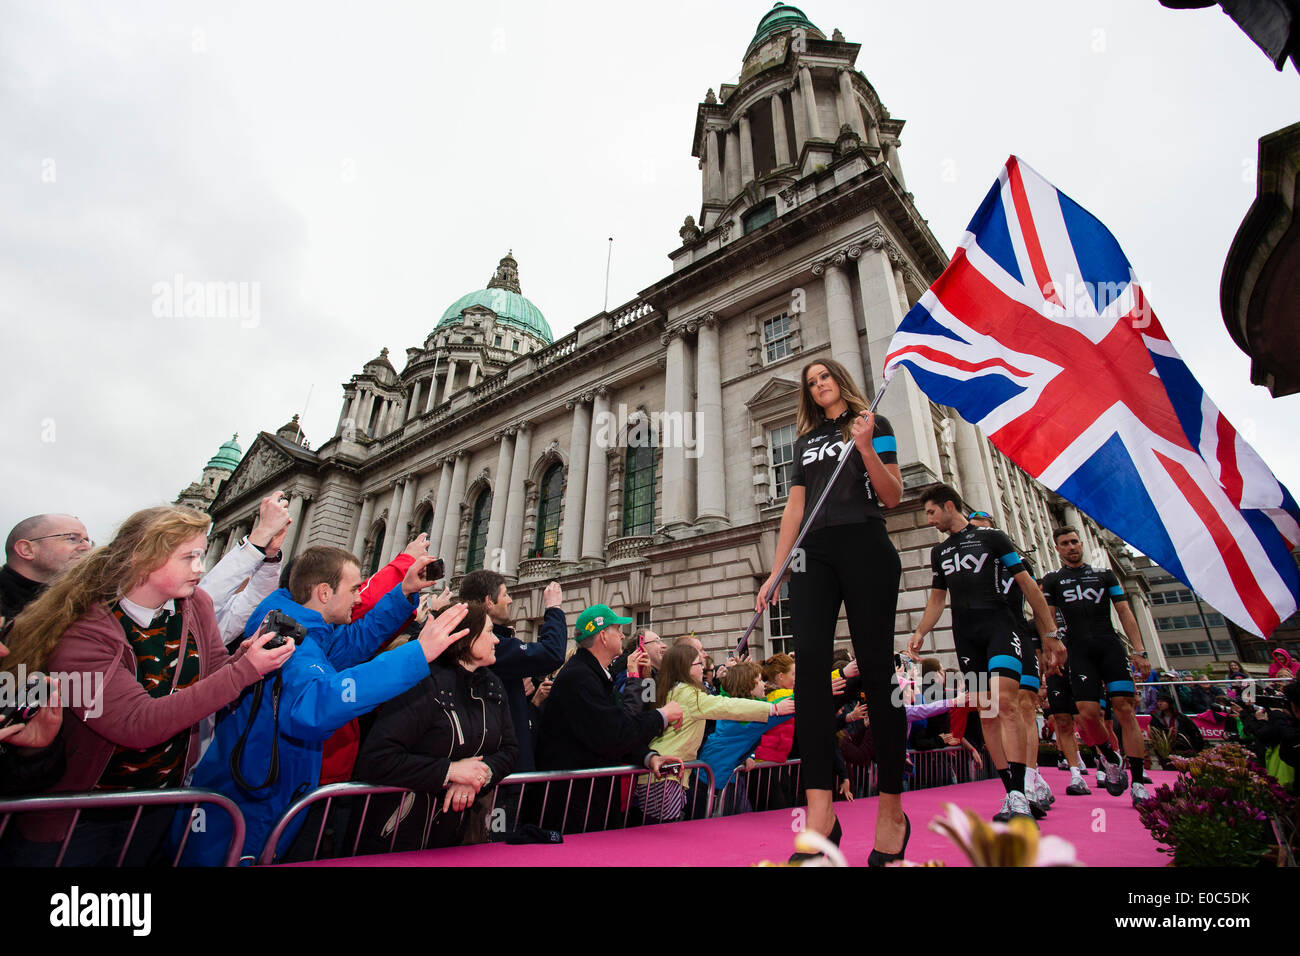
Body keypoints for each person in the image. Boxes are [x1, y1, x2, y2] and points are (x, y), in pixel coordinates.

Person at [0, 506, 294, 866]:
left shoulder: (195, 604)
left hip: (157, 804)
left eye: (200, 555)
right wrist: (242, 671)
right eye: (189, 557)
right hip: (80, 814)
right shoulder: (85, 625)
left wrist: (242, 659)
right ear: (143, 556)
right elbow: (135, 723)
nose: (200, 568)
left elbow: (212, 673)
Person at [180, 546, 471, 865]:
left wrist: (403, 592)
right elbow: (317, 705)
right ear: (323, 592)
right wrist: (417, 654)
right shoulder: (287, 641)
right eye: (353, 589)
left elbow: (356, 643)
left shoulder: (308, 631)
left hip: (269, 794)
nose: (359, 598)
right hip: (250, 801)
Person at [756, 358, 907, 865]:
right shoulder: (805, 442)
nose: (819, 386)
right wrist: (776, 571)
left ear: (840, 379)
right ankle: (821, 817)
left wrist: (864, 447)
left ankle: (892, 811)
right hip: (811, 555)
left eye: (824, 377)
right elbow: (793, 509)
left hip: (865, 543)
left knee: (878, 672)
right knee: (810, 682)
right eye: (811, 383)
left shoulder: (873, 423)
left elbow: (892, 496)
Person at [909, 485, 1064, 823]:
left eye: (932, 512)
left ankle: (1023, 793)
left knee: (1005, 703)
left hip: (1000, 627)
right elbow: (937, 600)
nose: (930, 520)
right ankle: (1011, 792)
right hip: (966, 636)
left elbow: (1029, 587)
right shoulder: (940, 552)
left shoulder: (993, 539)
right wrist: (921, 631)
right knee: (987, 710)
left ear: (950, 505)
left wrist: (1049, 633)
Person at [352, 602, 519, 851]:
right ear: (466, 637)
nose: (496, 640)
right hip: (400, 835)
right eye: (489, 631)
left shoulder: (492, 686)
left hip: (459, 836)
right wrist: (450, 771)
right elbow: (377, 758)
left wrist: (476, 775)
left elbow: (510, 749)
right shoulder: (421, 682)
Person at [533, 604, 683, 832]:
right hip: (575, 807)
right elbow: (619, 727)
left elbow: (619, 721)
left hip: (594, 798)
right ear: (603, 636)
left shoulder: (600, 675)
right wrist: (660, 713)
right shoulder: (583, 677)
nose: (623, 634)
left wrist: (649, 757)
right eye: (617, 629)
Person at [1039, 526, 1152, 806]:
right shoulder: (1053, 580)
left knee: (1125, 709)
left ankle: (1137, 781)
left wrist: (1139, 651)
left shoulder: (1104, 575)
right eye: (1065, 543)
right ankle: (1109, 755)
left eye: (1075, 542)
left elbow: (1124, 610)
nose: (1072, 547)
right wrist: (1051, 650)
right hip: (1078, 650)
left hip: (1109, 645)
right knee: (1087, 714)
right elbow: (1047, 619)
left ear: (1081, 544)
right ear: (1058, 548)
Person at [633, 642, 793, 822]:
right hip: (666, 777)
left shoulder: (674, 689)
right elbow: (726, 705)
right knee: (665, 835)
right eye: (698, 664)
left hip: (661, 774)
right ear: (685, 668)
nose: (703, 667)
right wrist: (773, 709)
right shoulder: (689, 694)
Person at [967, 509, 1055, 814]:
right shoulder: (962, 563)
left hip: (1016, 635)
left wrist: (1049, 639)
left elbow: (1035, 598)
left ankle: (1030, 778)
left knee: (1022, 705)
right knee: (990, 710)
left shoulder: (1014, 563)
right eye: (972, 529)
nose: (976, 536)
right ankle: (1013, 785)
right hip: (982, 641)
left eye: (983, 529)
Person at [460, 569, 565, 773]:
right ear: (489, 601)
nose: (510, 600)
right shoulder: (490, 647)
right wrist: (554, 609)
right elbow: (552, 653)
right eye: (505, 594)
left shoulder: (489, 645)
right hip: (500, 770)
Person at [697, 661, 796, 813]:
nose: (764, 684)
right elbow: (792, 704)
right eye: (760, 680)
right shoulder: (749, 715)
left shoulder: (737, 706)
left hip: (721, 774)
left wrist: (748, 755)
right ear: (749, 685)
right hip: (715, 779)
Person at [0, 513, 93, 620]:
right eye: (72, 538)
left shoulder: (85, 603)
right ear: (26, 550)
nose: (87, 547)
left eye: (87, 540)